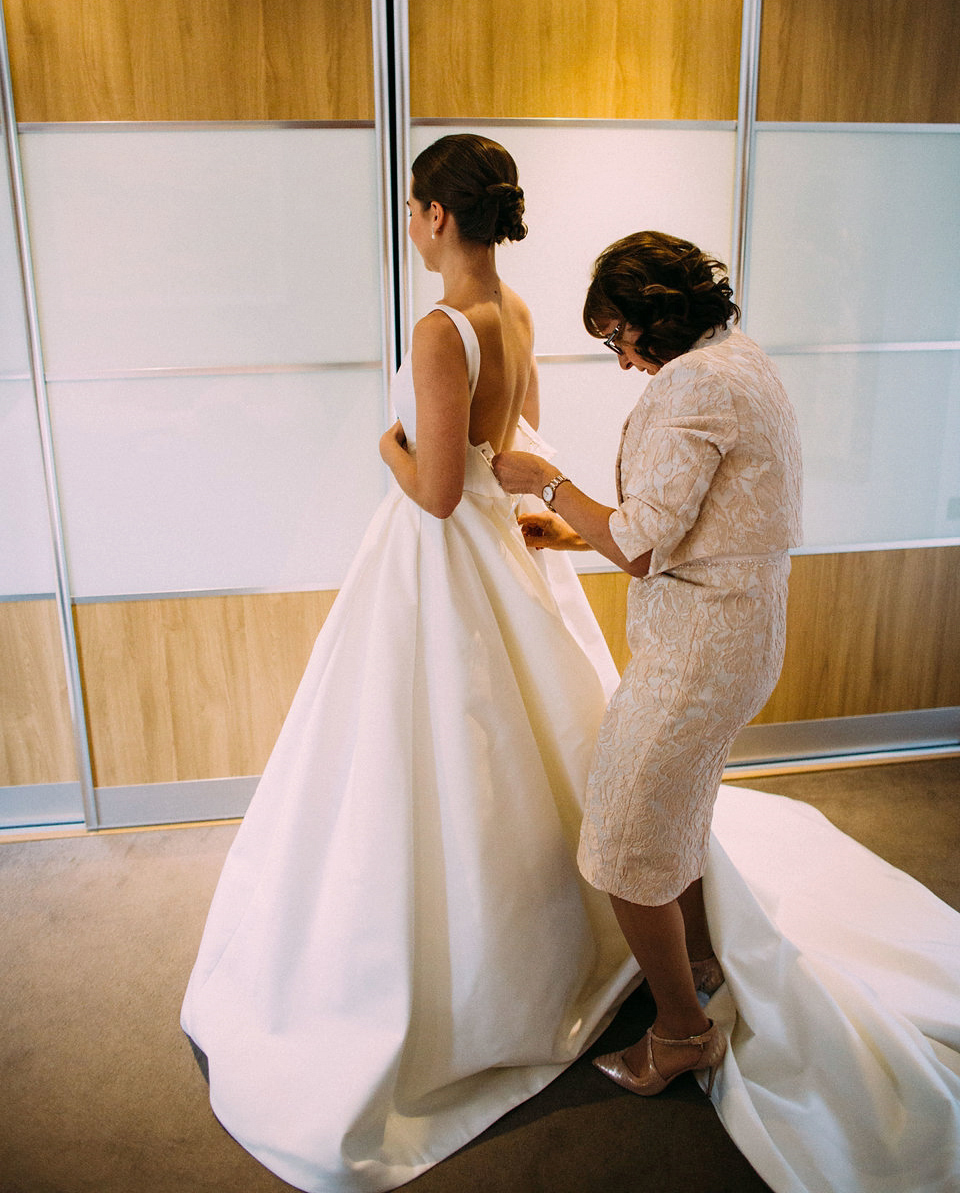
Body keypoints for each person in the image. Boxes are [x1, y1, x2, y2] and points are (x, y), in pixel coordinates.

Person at [180, 135, 637, 1193]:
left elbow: (432, 489)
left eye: (412, 206)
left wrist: (380, 442)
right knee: (523, 745)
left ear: (436, 215)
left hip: (440, 555)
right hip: (503, 550)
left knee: (417, 756)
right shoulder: (515, 313)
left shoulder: (441, 328)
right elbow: (514, 441)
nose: (408, 221)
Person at [494, 229, 803, 1096]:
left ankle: (680, 1033)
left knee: (624, 842)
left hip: (701, 652)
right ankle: (697, 964)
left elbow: (638, 541)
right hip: (740, 633)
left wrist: (546, 483)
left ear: (652, 320)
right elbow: (696, 520)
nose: (620, 361)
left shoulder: (694, 382)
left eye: (615, 338)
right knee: (676, 813)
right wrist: (572, 532)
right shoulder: (738, 357)